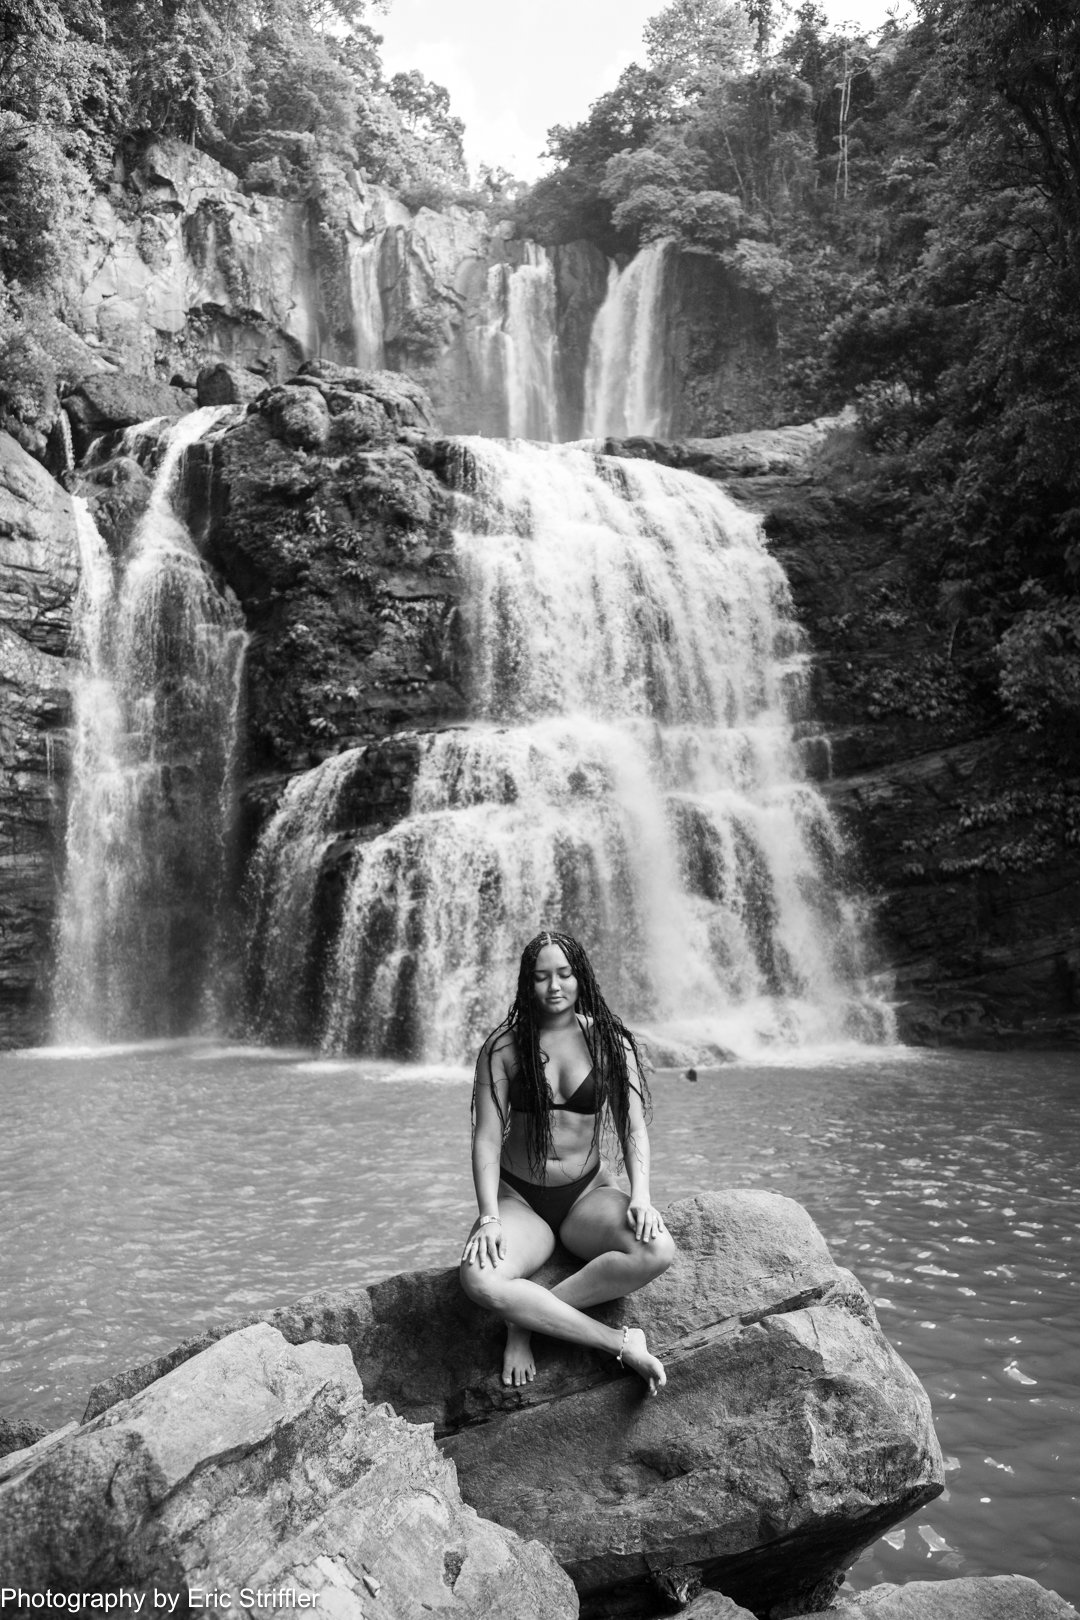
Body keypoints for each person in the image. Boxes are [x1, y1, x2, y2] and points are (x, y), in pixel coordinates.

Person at [460, 929, 675, 1394]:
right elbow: (487, 1139)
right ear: (527, 983)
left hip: (587, 1194)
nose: (554, 986)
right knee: (479, 1279)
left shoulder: (609, 1042)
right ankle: (620, 1342)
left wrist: (641, 1196)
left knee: (657, 1249)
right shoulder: (503, 1046)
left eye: (564, 974)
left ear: (581, 978)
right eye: (541, 977)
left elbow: (633, 1128)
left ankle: (525, 1321)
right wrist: (489, 1217)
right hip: (520, 1198)